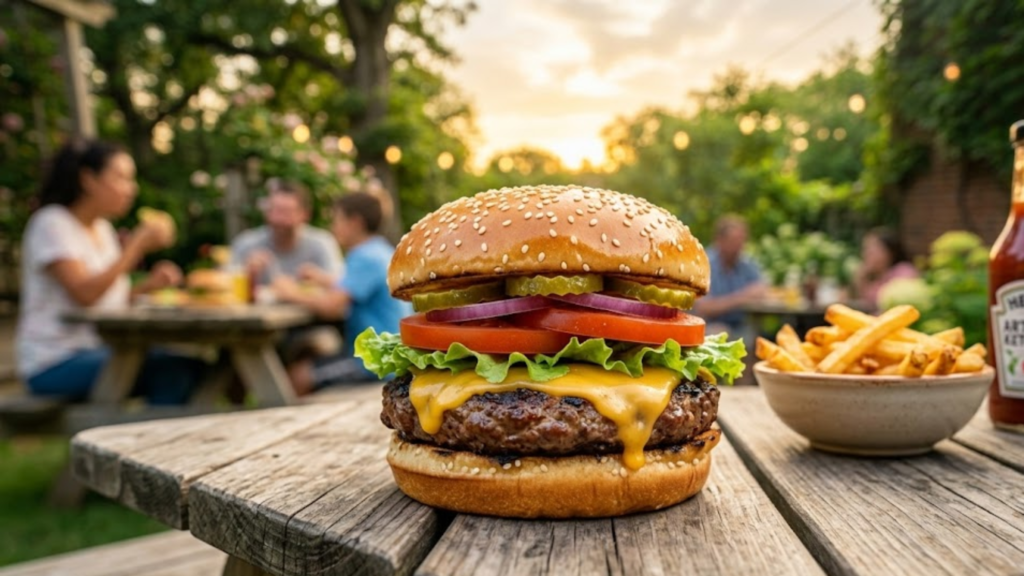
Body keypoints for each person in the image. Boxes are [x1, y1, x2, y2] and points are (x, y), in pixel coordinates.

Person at [16, 139, 204, 404]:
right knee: (174, 369)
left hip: (97, 351)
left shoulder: (102, 229)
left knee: (192, 367)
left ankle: (152, 440)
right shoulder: (52, 223)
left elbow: (111, 300)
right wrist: (135, 247)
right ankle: (151, 442)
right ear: (88, 179)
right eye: (121, 178)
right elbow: (85, 294)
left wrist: (150, 285)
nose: (131, 189)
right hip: (54, 361)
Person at [273, 191, 411, 394]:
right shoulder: (379, 250)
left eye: (336, 219)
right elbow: (356, 287)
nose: (333, 227)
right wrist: (323, 278)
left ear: (354, 222)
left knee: (297, 375)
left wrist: (288, 292)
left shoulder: (364, 256)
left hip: (378, 361)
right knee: (310, 352)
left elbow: (333, 306)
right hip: (393, 352)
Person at [229, 178, 343, 289]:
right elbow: (225, 285)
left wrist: (320, 278)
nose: (278, 219)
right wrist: (247, 274)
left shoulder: (322, 243)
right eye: (273, 210)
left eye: (286, 212)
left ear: (305, 214)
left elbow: (342, 286)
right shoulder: (247, 243)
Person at [692, 215, 766, 339]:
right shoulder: (704, 264)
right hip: (708, 324)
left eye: (742, 241)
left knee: (760, 335)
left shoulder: (745, 262)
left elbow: (761, 288)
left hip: (740, 325)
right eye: (734, 241)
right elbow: (703, 307)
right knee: (721, 332)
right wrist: (743, 297)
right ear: (719, 240)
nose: (739, 245)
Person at [854, 227, 919, 312]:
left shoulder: (904, 271)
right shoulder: (873, 276)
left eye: (871, 250)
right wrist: (860, 278)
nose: (866, 254)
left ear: (889, 252)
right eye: (865, 249)